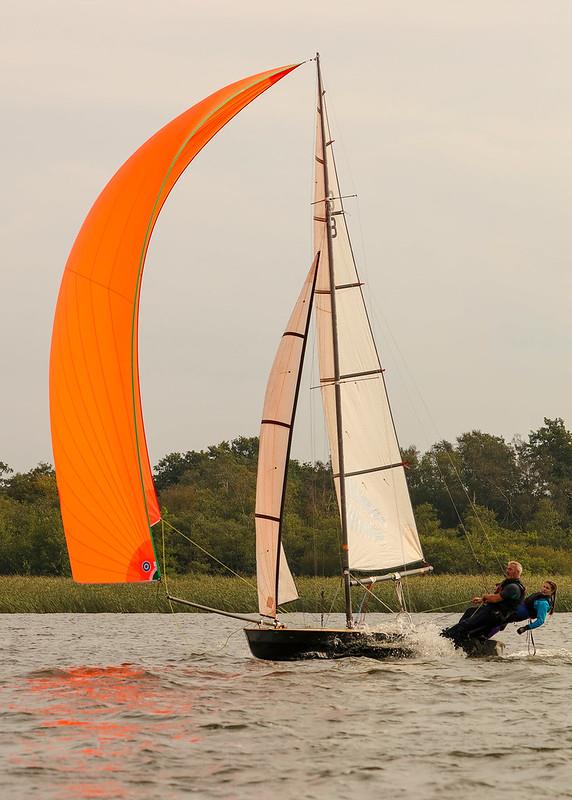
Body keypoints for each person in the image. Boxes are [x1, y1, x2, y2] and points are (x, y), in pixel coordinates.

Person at [441, 561, 526, 646]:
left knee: (466, 625)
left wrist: (485, 596)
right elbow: (498, 599)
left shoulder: (514, 588)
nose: (507, 571)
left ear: (517, 572)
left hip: (495, 615)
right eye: (507, 568)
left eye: (510, 569)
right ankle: (457, 636)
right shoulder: (509, 585)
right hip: (491, 611)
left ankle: (444, 638)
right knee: (470, 612)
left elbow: (496, 599)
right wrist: (481, 600)